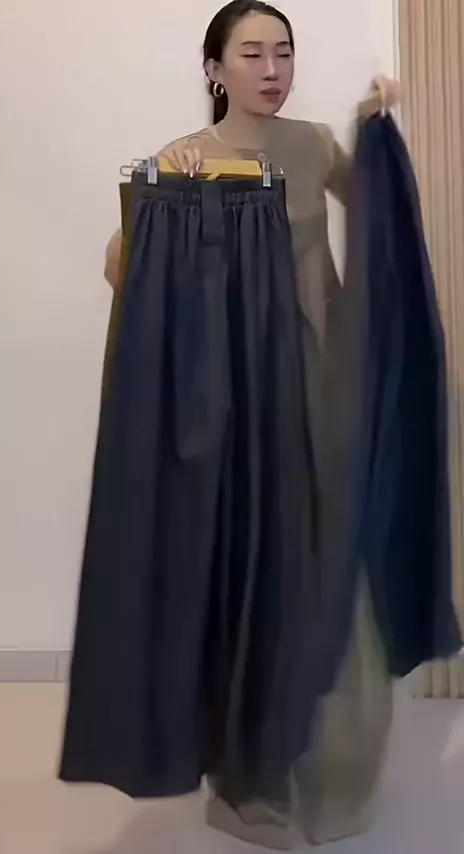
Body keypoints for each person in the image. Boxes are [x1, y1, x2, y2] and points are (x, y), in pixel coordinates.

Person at [104, 2, 400, 849]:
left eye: (284, 53)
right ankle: (247, 778)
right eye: (252, 54)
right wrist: (164, 198)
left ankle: (328, 763)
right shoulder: (186, 157)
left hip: (319, 390)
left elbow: (374, 208)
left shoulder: (311, 146)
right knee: (251, 574)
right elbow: (120, 268)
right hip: (236, 404)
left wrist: (375, 128)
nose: (272, 70)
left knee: (329, 571)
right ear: (214, 70)